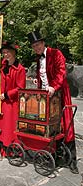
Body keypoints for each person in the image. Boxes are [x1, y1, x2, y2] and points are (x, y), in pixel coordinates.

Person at [27, 30, 79, 174]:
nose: (36, 48)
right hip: (46, 96)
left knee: (66, 124)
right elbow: (43, 75)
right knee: (50, 125)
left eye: (38, 45)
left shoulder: (56, 53)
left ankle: (72, 161)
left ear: (43, 43)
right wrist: (40, 82)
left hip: (60, 94)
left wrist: (53, 86)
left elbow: (61, 72)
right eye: (34, 46)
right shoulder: (38, 60)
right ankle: (55, 155)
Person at [0, 41, 26, 157]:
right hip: (2, 101)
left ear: (13, 52)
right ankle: (3, 149)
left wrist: (7, 94)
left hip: (12, 103)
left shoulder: (20, 69)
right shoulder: (4, 66)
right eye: (4, 52)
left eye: (7, 52)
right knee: (1, 126)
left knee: (9, 127)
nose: (5, 54)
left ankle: (13, 150)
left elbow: (21, 88)